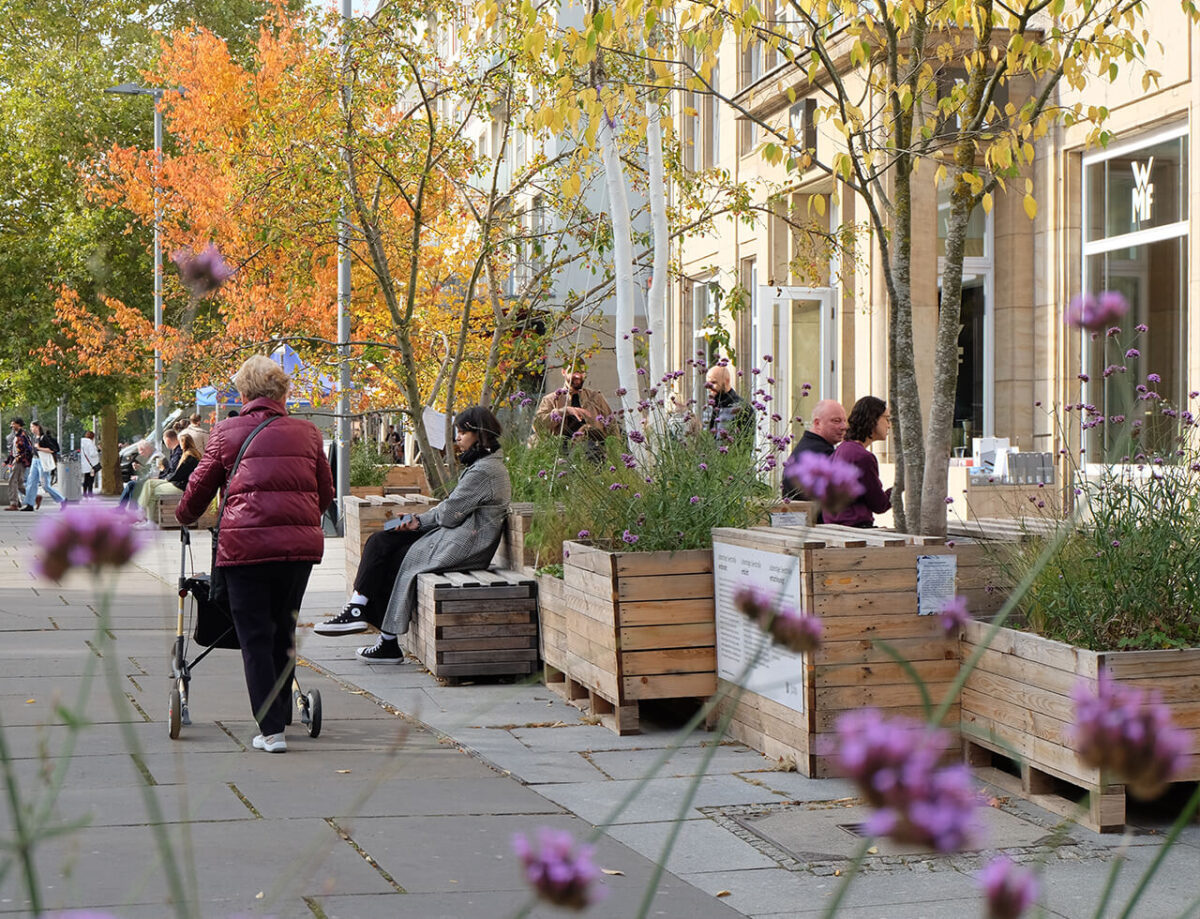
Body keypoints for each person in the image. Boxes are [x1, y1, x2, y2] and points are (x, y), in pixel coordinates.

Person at [176, 355, 333, 754]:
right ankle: (278, 717)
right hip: (298, 551)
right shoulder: (308, 432)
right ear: (283, 392)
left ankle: (271, 730)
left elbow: (200, 488)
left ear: (244, 393)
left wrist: (185, 516)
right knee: (284, 631)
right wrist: (296, 522)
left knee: (255, 637)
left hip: (245, 549)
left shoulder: (227, 431)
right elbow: (325, 492)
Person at [315, 406, 512, 665]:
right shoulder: (486, 466)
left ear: (478, 434)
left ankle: (373, 627)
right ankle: (364, 615)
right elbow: (450, 510)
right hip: (460, 537)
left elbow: (450, 513)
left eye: (462, 433)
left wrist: (416, 521)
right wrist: (414, 522)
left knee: (394, 554)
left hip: (464, 544)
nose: (457, 439)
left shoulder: (484, 471)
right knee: (382, 542)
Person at [826, 396, 893, 528]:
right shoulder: (862, 457)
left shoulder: (842, 449)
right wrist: (899, 487)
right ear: (873, 420)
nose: (889, 425)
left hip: (836, 529)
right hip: (855, 531)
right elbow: (880, 505)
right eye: (886, 419)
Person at [533, 364, 618, 453]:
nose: (578, 376)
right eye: (574, 372)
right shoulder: (551, 400)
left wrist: (616, 452)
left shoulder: (595, 398)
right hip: (562, 454)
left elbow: (612, 426)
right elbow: (538, 425)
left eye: (581, 372)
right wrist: (564, 411)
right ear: (563, 372)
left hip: (594, 452)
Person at [782, 399, 850, 499]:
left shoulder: (808, 446)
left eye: (844, 421)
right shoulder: (819, 454)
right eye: (836, 421)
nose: (844, 427)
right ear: (817, 423)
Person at [137, 431, 202, 520]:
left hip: (182, 486)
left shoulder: (189, 457)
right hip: (182, 484)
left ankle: (141, 511)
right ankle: (148, 520)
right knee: (150, 487)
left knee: (150, 489)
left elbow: (179, 474)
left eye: (180, 442)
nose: (179, 444)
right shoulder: (191, 454)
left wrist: (166, 479)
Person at [702, 363, 755, 444]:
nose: (710, 387)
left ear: (727, 381)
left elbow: (746, 444)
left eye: (714, 382)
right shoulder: (709, 408)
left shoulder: (742, 408)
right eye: (708, 383)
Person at [22, 422, 66, 511]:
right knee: (31, 482)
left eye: (32, 427)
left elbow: (53, 449)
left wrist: (39, 448)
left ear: (37, 427)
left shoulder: (44, 438)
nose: (31, 429)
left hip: (42, 461)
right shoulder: (34, 438)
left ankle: (62, 500)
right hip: (35, 460)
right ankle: (30, 504)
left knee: (45, 485)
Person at [5, 418, 33, 511]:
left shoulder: (23, 435)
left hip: (20, 461)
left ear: (19, 424)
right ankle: (34, 497)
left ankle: (14, 504)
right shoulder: (16, 435)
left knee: (12, 481)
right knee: (20, 484)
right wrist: (7, 461)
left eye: (13, 424)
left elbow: (29, 449)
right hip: (16, 460)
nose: (11, 426)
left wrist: (19, 458)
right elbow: (13, 450)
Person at [118, 441, 154, 508]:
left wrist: (138, 478)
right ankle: (124, 508)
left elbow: (152, 474)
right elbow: (149, 471)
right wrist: (140, 468)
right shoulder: (152, 456)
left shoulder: (155, 457)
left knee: (133, 484)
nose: (141, 455)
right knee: (132, 484)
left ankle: (130, 510)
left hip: (153, 482)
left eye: (142, 452)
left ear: (147, 449)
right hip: (151, 480)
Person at [79, 431, 101, 498]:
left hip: (85, 464)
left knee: (86, 479)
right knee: (91, 479)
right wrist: (97, 451)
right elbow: (92, 454)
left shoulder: (82, 443)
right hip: (92, 465)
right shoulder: (90, 443)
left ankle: (84, 493)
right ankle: (90, 493)